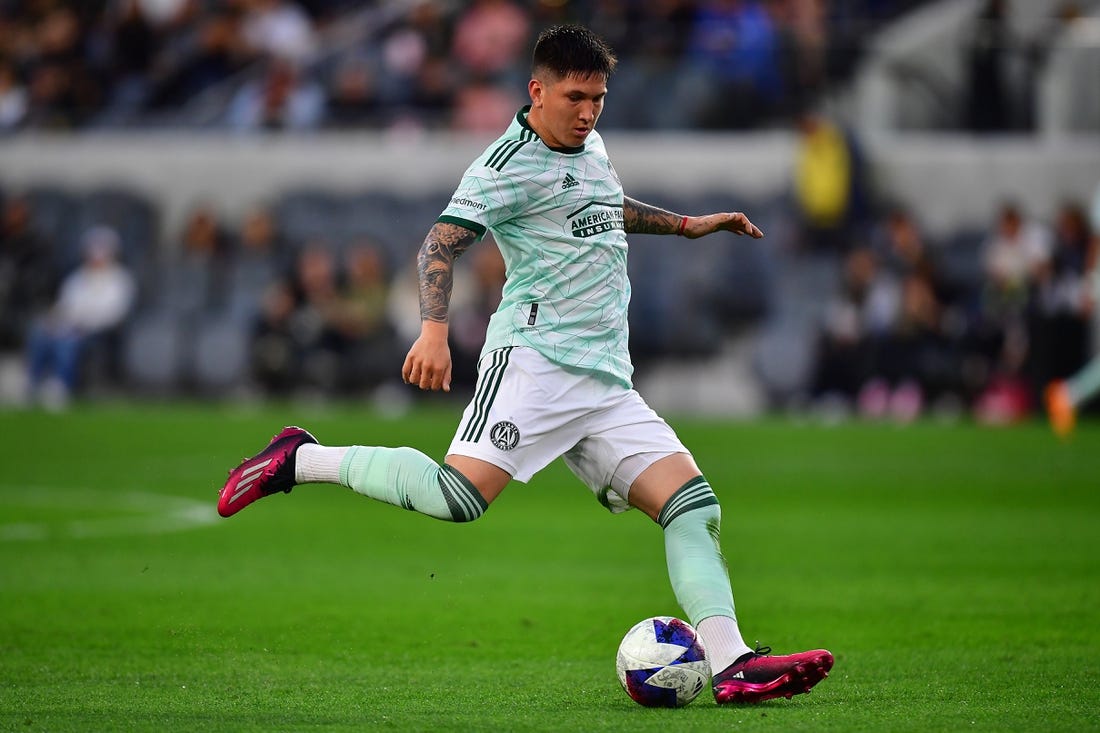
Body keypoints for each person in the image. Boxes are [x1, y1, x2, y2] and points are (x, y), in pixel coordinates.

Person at [217, 25, 833, 705]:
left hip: (603, 379)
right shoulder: (504, 166)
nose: (589, 110)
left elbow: (600, 208)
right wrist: (431, 331)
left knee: (694, 507)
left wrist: (688, 225)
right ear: (536, 91)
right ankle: (298, 458)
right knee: (458, 499)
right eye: (575, 96)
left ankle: (733, 661)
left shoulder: (589, 144)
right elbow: (438, 244)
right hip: (534, 367)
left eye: (598, 97)